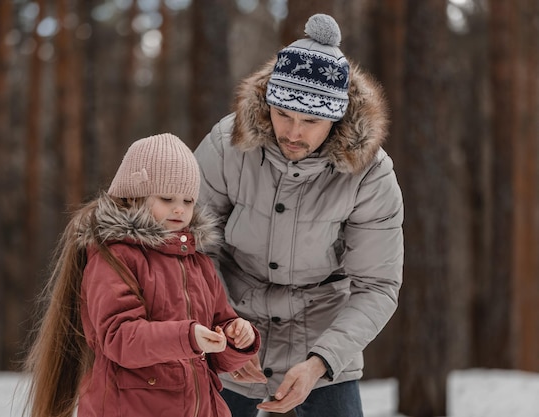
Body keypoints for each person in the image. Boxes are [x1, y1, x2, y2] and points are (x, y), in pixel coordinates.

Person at [194, 13, 404, 417]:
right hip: (229, 323)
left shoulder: (371, 174)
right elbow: (193, 248)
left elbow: (377, 285)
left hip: (323, 332)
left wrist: (321, 363)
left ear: (337, 117)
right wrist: (226, 324)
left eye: (310, 120)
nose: (293, 132)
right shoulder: (227, 144)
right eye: (284, 114)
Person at [23, 133, 261, 417]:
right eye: (166, 197)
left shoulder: (198, 263)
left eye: (187, 200)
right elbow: (119, 336)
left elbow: (217, 343)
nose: (179, 208)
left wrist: (237, 337)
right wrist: (188, 337)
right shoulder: (115, 257)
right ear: (133, 197)